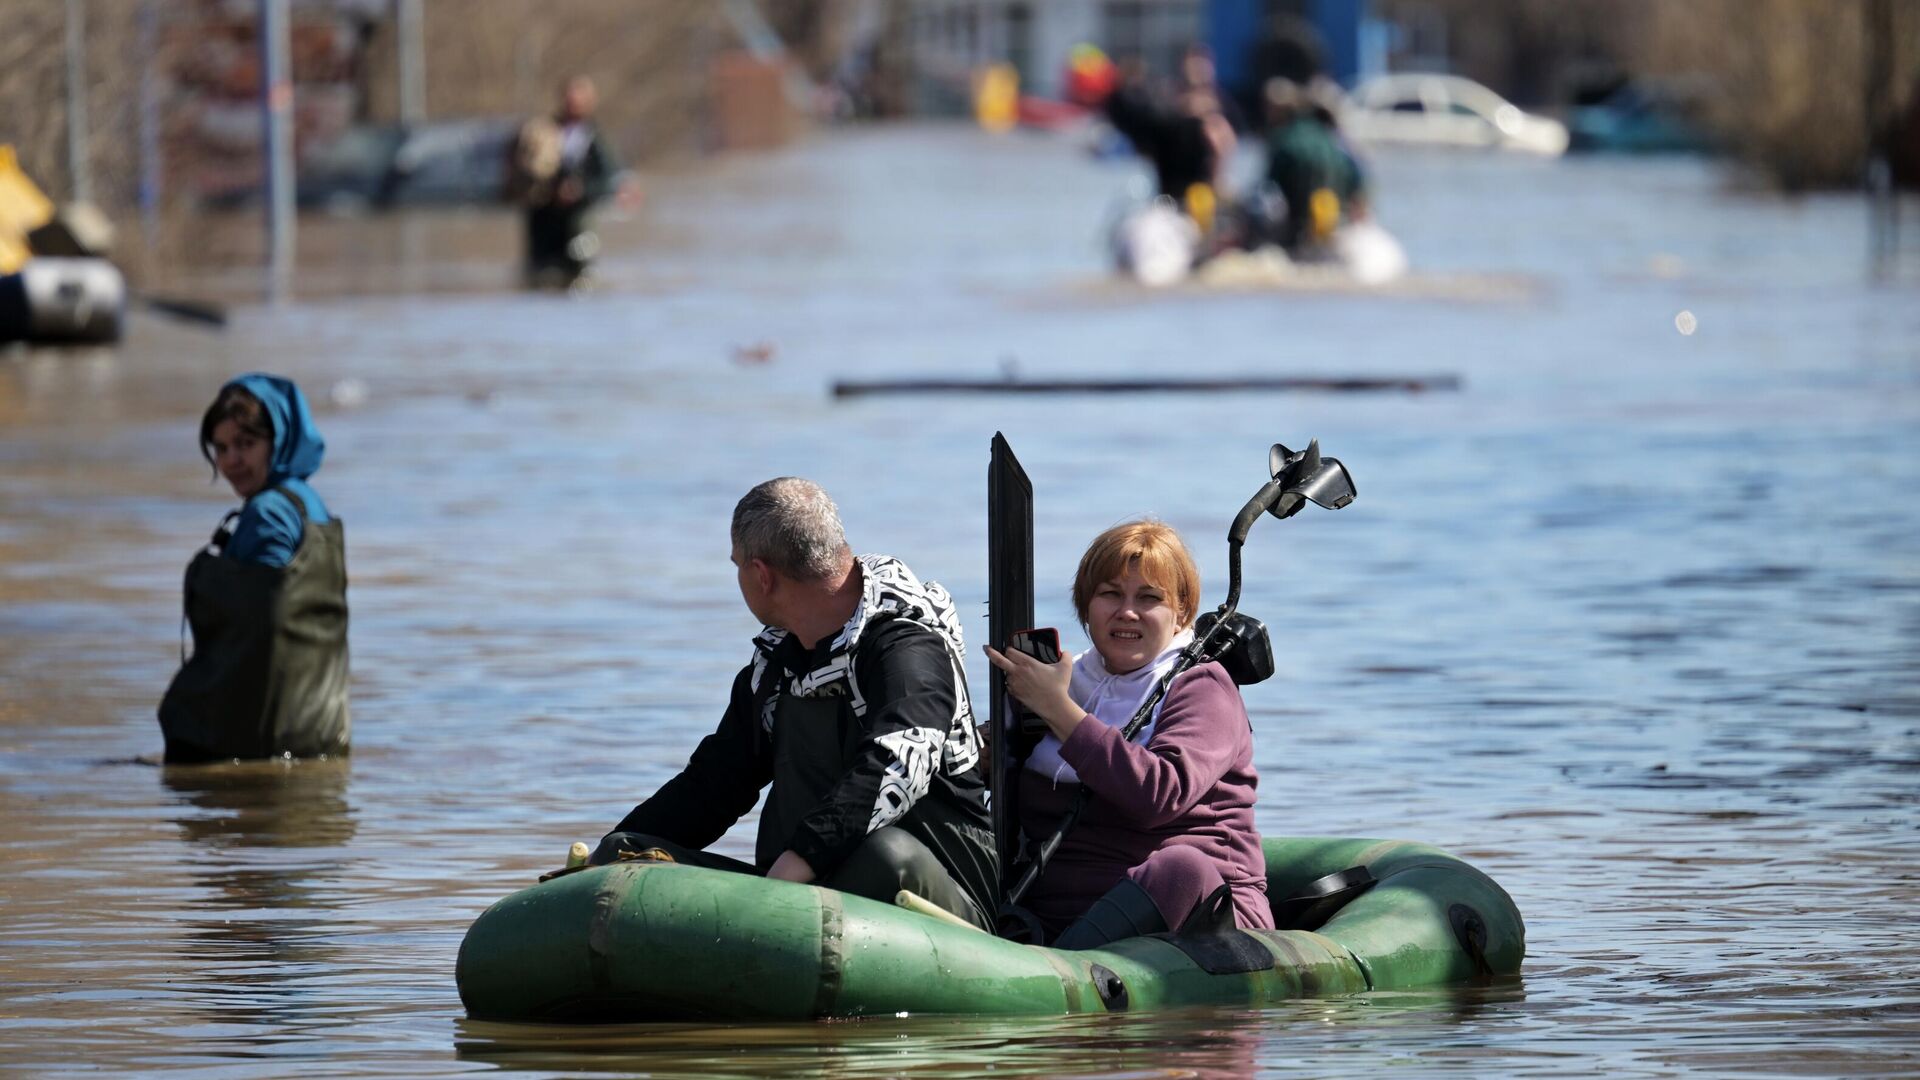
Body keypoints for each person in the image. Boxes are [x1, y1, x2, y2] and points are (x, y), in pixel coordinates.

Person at [591, 478, 1001, 929]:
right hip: (796, 896)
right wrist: (600, 866)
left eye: (737, 567)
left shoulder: (906, 645)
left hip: (937, 893)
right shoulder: (777, 662)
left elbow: (900, 764)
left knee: (885, 856)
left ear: (762, 575)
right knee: (625, 852)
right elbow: (713, 785)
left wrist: (792, 868)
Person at [985, 521, 1272, 947]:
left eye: (1149, 598)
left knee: (1180, 868)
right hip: (1055, 909)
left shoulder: (1203, 686)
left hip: (1195, 913)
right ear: (1085, 606)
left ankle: (1052, 969)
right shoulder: (1058, 678)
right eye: (1110, 594)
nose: (1127, 612)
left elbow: (1159, 795)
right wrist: (983, 754)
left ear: (1181, 614)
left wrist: (1059, 710)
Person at [158, 375, 348, 763]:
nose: (231, 461)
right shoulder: (310, 505)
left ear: (276, 441)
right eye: (221, 448)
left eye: (246, 444)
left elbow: (260, 634)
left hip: (259, 743)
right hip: (321, 733)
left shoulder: (268, 512)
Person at [506, 75, 633, 289]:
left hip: (577, 220)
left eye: (579, 99)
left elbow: (609, 179)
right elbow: (521, 168)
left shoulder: (595, 139)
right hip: (543, 217)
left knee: (580, 277)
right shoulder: (541, 131)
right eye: (569, 98)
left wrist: (580, 190)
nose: (573, 104)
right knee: (540, 277)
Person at [1260, 77, 1368, 254]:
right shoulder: (1340, 144)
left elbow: (1267, 190)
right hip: (1339, 227)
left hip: (1299, 232)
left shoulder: (1284, 139)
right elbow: (1360, 189)